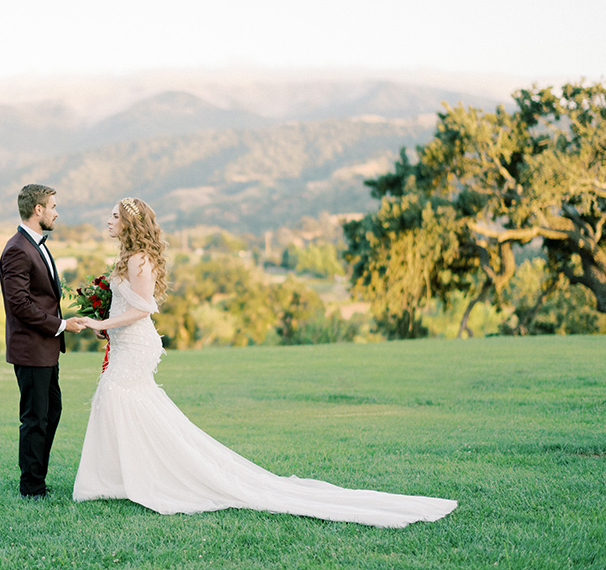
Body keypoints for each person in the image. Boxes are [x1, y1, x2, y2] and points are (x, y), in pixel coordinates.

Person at [73, 197, 457, 527]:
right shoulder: (129, 257)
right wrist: (107, 323)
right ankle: (121, 478)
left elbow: (144, 308)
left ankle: (129, 479)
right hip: (125, 343)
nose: (108, 221)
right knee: (127, 404)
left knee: (120, 398)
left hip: (137, 345)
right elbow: (127, 303)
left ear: (129, 222)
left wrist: (101, 321)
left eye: (114, 216)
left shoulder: (140, 259)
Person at [0, 184, 87, 500]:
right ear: (38, 210)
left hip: (45, 349)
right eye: (52, 206)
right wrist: (62, 325)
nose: (56, 212)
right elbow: (20, 304)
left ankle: (37, 479)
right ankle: (32, 488)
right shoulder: (17, 249)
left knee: (51, 412)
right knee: (36, 418)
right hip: (31, 349)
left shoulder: (35, 245)